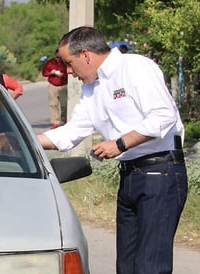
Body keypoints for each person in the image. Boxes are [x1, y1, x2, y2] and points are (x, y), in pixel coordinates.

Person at [37, 26, 187, 274]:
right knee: (126, 267)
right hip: (130, 176)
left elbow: (163, 116)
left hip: (160, 173)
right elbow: (70, 132)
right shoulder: (92, 88)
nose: (69, 72)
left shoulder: (134, 67)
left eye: (69, 63)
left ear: (85, 54)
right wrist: (21, 138)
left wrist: (119, 143)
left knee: (150, 267)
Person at [42, 49, 68, 129]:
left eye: (60, 57)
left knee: (64, 104)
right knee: (53, 104)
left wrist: (63, 75)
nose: (58, 58)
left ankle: (64, 118)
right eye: (57, 56)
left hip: (63, 85)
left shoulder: (65, 62)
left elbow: (69, 73)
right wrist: (52, 72)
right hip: (53, 85)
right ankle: (55, 122)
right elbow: (44, 73)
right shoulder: (50, 62)